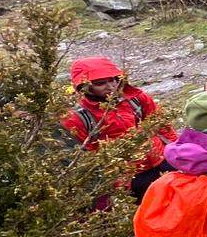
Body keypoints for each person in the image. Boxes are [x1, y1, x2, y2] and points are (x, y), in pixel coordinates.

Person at [62, 57, 175, 197]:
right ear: (84, 87)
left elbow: (163, 126)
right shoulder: (76, 118)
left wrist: (178, 153)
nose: (111, 86)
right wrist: (115, 185)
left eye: (113, 79)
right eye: (100, 83)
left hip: (161, 159)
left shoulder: (136, 98)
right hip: (127, 178)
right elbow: (86, 157)